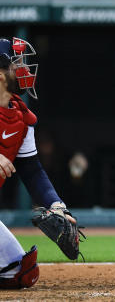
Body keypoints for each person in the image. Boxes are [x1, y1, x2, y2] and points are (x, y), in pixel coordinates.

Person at [0, 37, 76, 289]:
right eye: (17, 63)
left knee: (21, 272)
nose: (25, 69)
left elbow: (32, 171)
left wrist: (57, 205)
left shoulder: (20, 118)